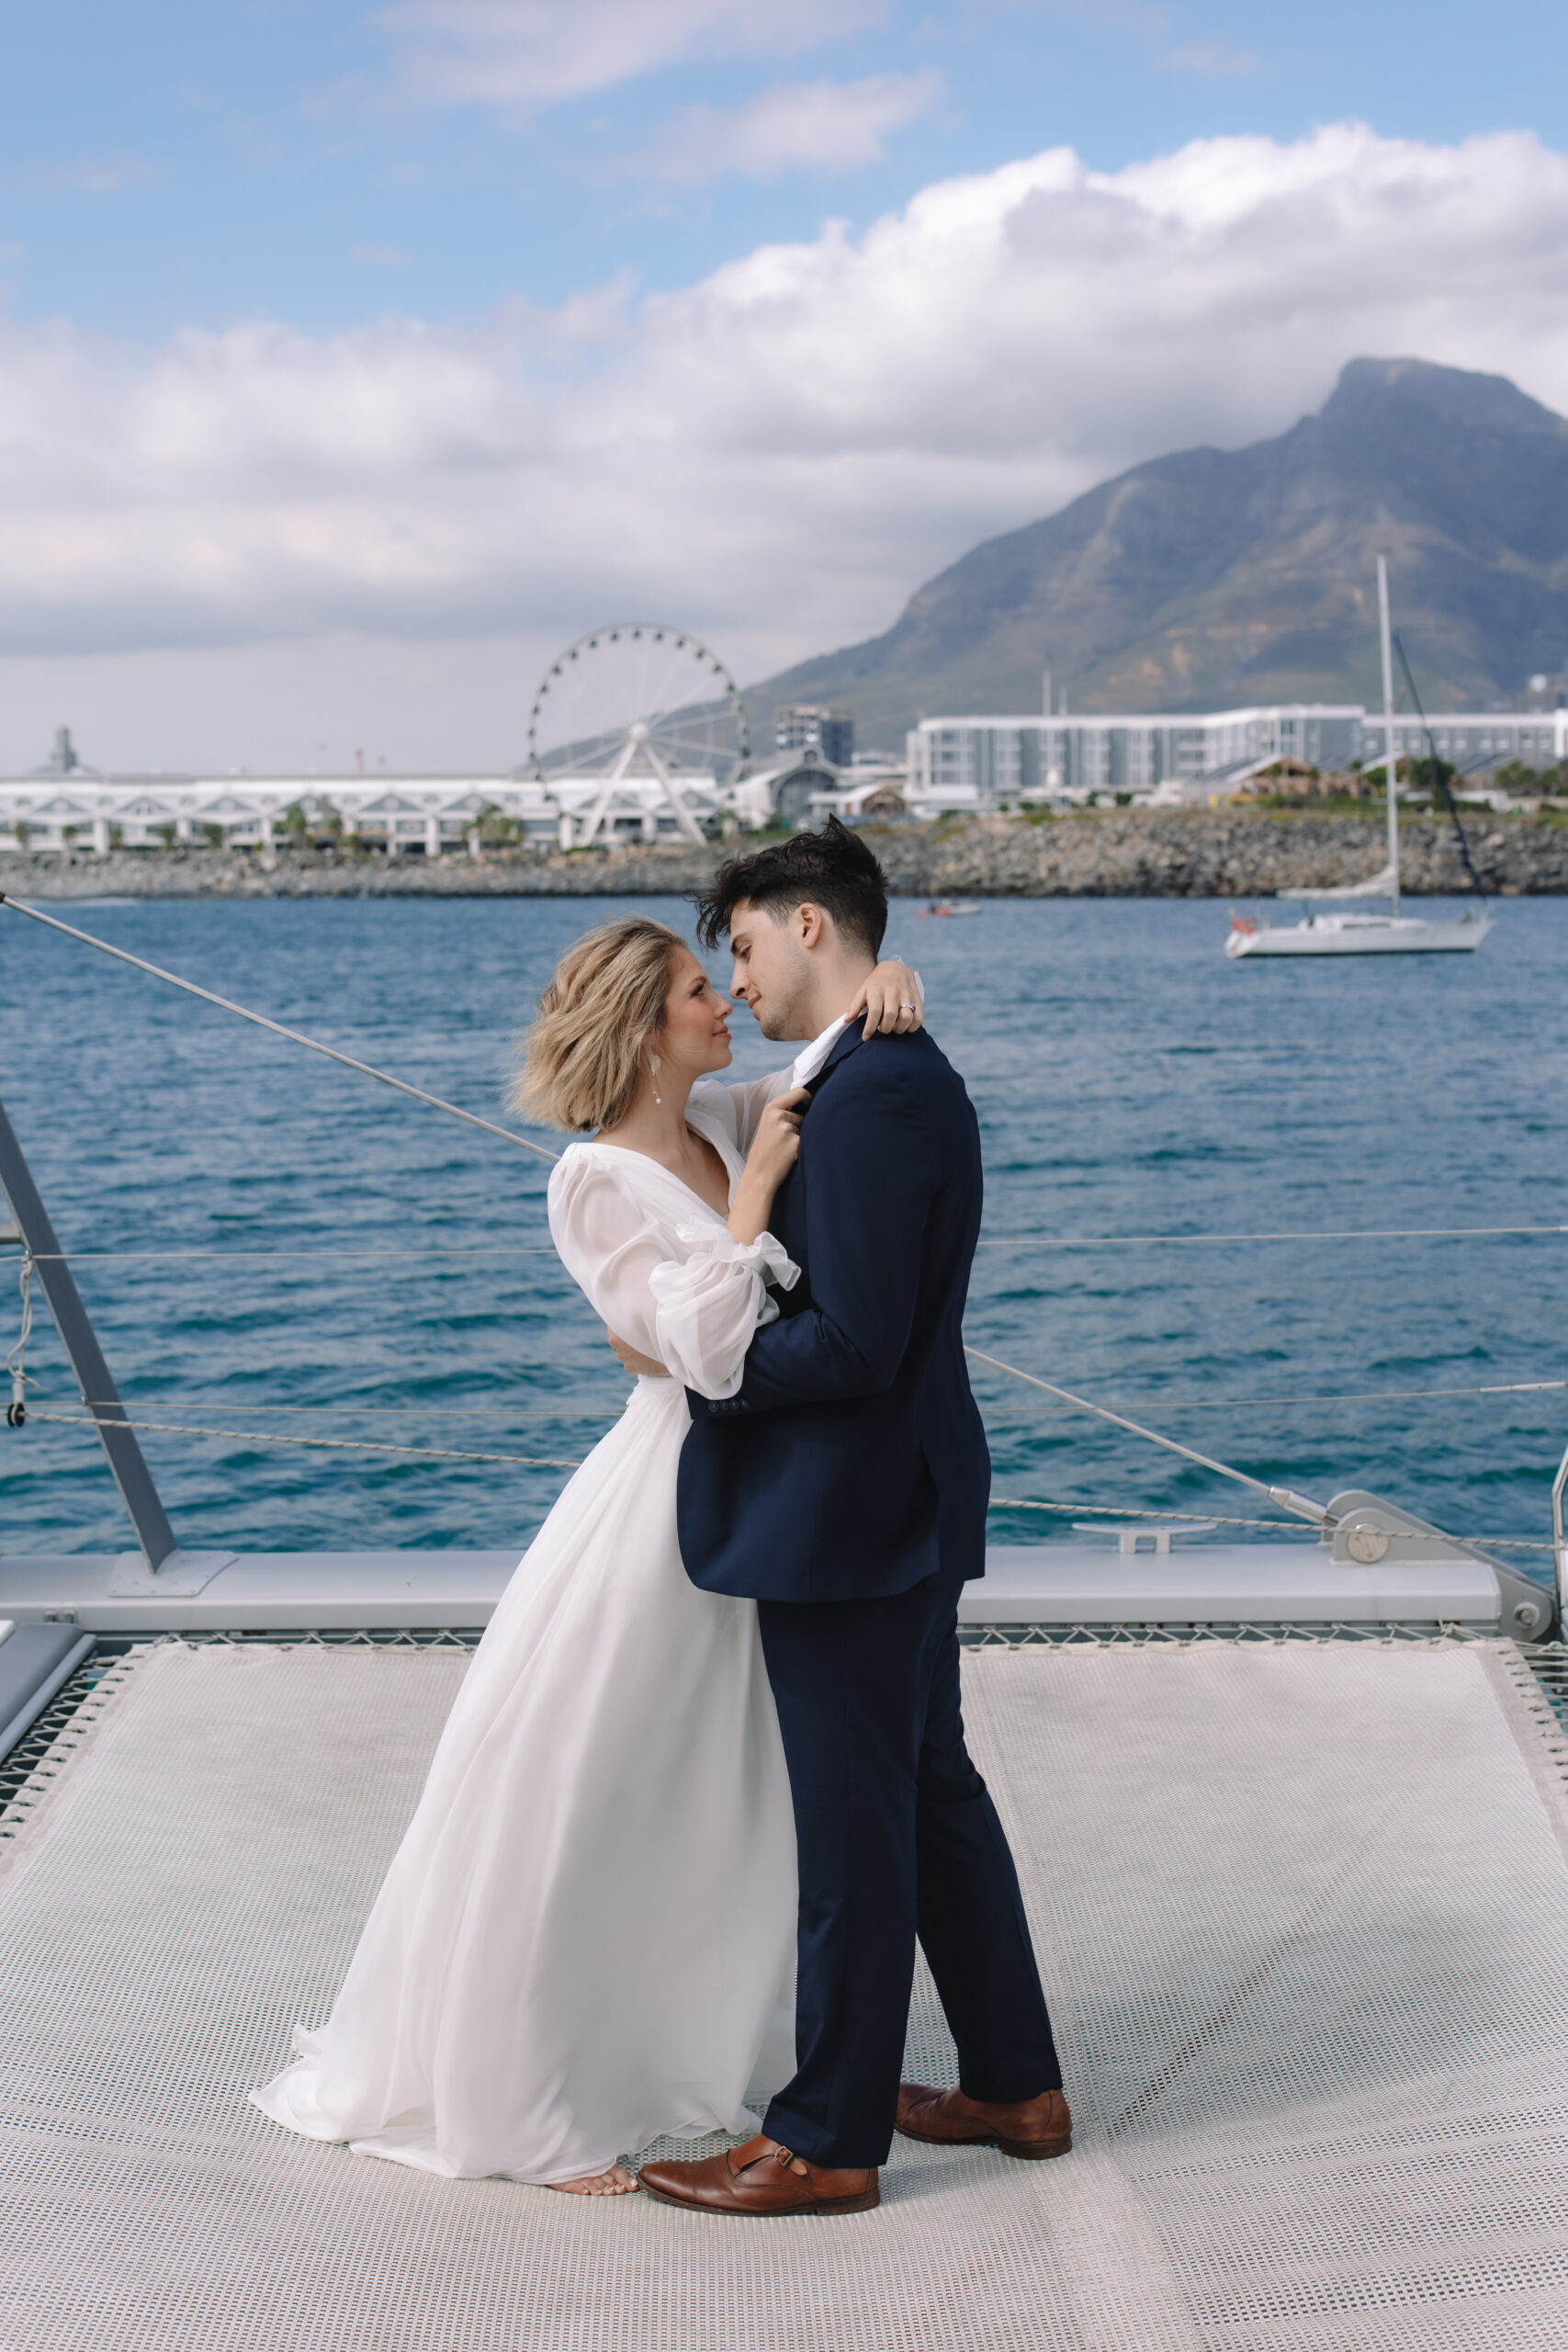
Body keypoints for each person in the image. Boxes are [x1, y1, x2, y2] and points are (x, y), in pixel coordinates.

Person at [250, 914, 925, 2195]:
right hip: (665, 1496)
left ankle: (686, 2039)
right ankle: (526, 2093)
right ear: (639, 1024)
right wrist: (755, 1202)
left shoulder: (721, 1115)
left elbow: (822, 1058)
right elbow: (697, 1352)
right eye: (692, 990)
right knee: (590, 1781)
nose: (722, 1001)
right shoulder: (595, 1180)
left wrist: (884, 978)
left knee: (710, 1794)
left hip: (757, 1492)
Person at [623, 820, 1069, 2220]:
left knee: (857, 1831)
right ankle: (1013, 2084)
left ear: (809, 927)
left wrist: (711, 1371)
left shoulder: (875, 1097)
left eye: (743, 947)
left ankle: (825, 2140)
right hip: (902, 1500)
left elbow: (860, 1344)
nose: (737, 980)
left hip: (855, 1515)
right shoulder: (864, 1069)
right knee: (931, 1794)